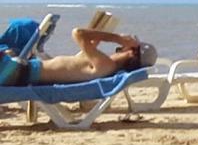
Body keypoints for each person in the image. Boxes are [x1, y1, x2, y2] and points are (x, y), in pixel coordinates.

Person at [1, 26, 157, 86]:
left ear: (133, 52)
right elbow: (84, 49)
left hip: (15, 72)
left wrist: (117, 38)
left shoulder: (106, 65)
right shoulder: (104, 63)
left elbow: (77, 33)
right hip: (17, 70)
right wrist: (102, 31)